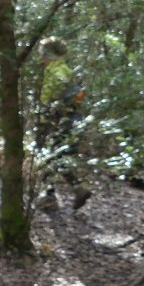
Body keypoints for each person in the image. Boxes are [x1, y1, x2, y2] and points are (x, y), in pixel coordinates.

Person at [36, 36, 91, 211]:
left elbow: (56, 95)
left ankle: (53, 196)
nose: (40, 56)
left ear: (49, 54)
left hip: (56, 120)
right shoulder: (57, 68)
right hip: (58, 119)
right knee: (52, 156)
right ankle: (58, 193)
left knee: (51, 156)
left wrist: (48, 112)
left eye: (43, 52)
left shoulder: (58, 71)